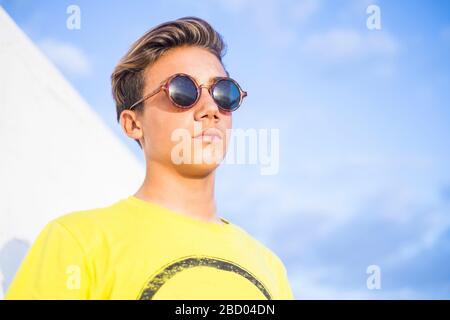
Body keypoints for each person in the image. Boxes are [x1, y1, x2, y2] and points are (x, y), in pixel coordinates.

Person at [6, 16, 294, 300]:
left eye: (223, 92)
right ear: (133, 124)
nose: (210, 108)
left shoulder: (269, 267)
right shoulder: (76, 243)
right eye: (183, 90)